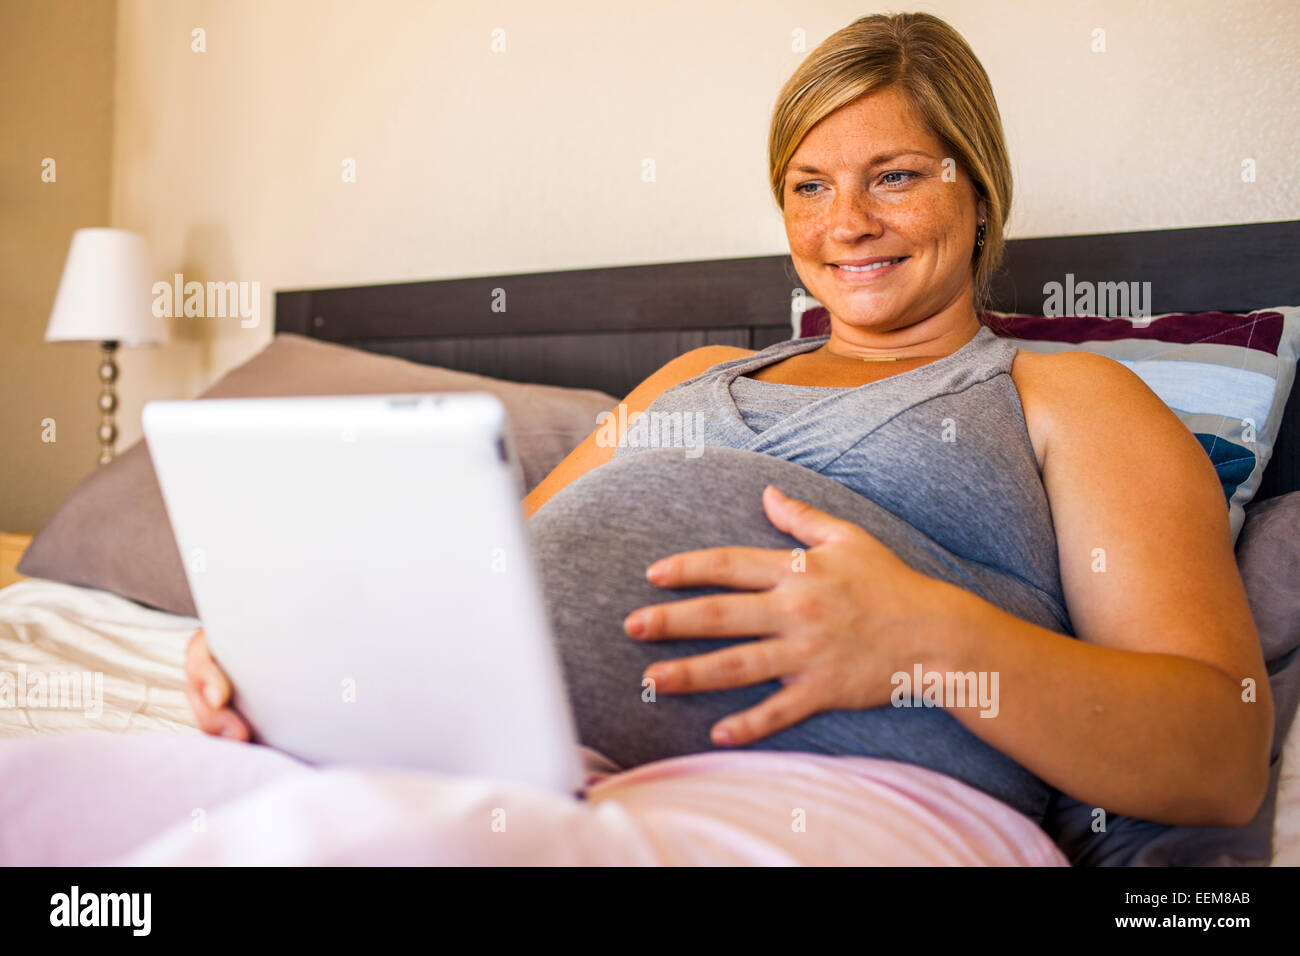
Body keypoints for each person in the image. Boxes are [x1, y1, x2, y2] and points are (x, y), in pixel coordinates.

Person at [185, 12, 1271, 828]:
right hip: (509, 765)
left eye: (892, 176)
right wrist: (287, 641)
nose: (845, 223)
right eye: (806, 187)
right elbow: (485, 577)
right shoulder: (693, 374)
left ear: (978, 193)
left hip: (820, 808)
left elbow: (1220, 750)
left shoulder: (1064, 395)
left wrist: (926, 639)